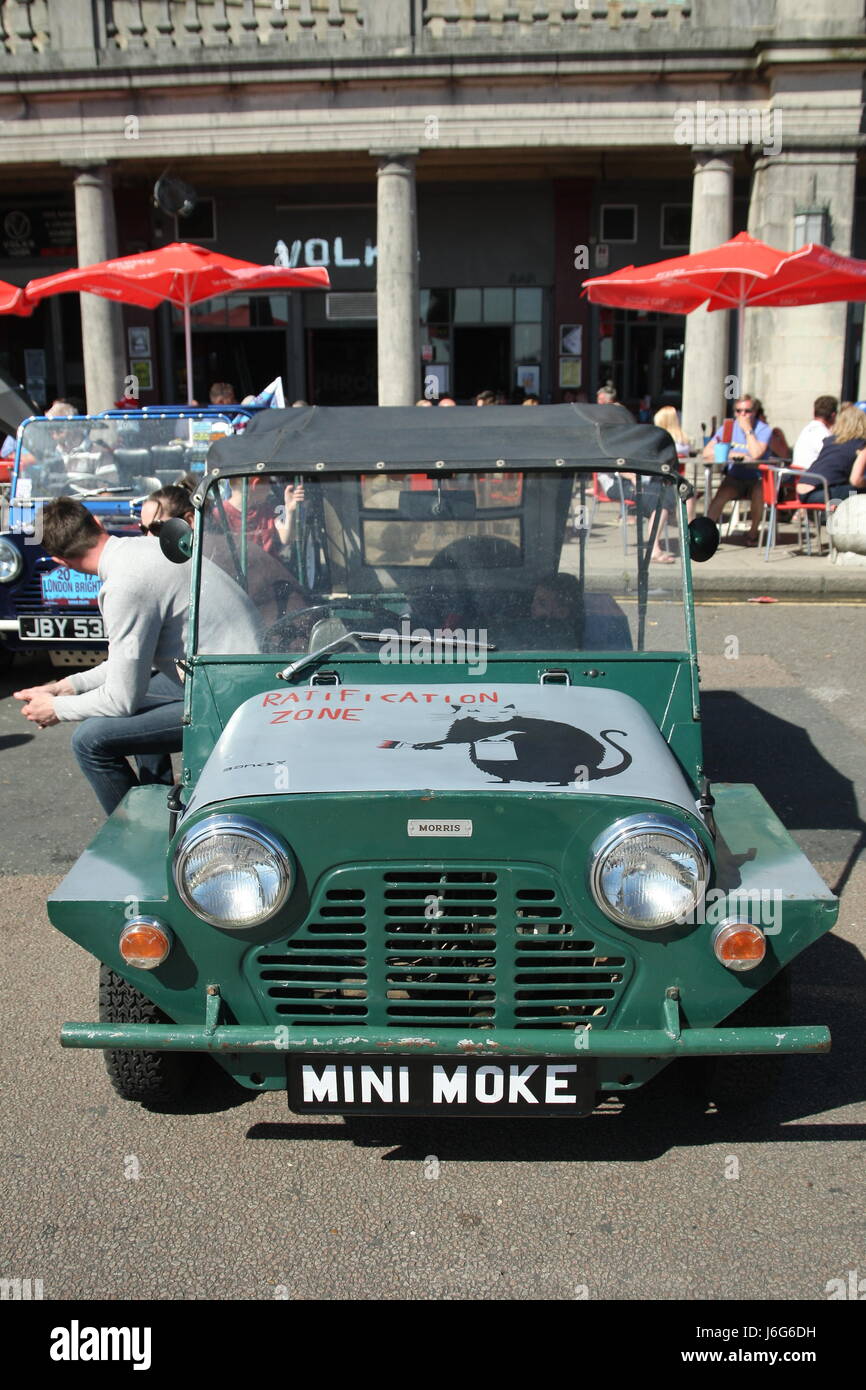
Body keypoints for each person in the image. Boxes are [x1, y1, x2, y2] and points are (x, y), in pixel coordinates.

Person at [13, 497, 261, 816]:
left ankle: (136, 836)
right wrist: (64, 687)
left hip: (228, 698)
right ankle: (157, 806)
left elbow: (121, 700)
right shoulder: (146, 550)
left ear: (60, 561)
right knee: (120, 703)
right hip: (230, 675)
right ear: (98, 524)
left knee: (89, 740)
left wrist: (56, 710)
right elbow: (125, 667)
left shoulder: (125, 586)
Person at [140, 482, 309, 627]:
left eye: (156, 528)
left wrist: (290, 509)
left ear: (190, 521)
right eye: (143, 530)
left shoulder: (213, 554)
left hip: (260, 591)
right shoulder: (219, 517)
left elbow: (285, 538)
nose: (147, 537)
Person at [703, 394, 772, 546]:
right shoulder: (728, 428)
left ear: (754, 412)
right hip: (735, 477)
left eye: (747, 411)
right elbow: (707, 452)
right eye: (738, 411)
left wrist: (748, 430)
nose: (742, 415)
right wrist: (732, 454)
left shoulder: (763, 429)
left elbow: (756, 454)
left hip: (757, 478)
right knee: (720, 496)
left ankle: (753, 532)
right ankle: (704, 532)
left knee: (759, 493)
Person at [796, 404, 866, 503]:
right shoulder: (862, 445)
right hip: (822, 493)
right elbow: (856, 480)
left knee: (849, 490)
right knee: (856, 491)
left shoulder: (829, 441)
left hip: (802, 492)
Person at [654, 404, 695, 521]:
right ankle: (687, 529)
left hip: (663, 480)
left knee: (683, 495)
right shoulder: (683, 439)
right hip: (678, 480)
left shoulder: (661, 439)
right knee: (688, 494)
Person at [792, 395, 838, 472]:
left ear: (814, 412)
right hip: (812, 478)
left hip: (796, 476)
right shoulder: (825, 434)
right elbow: (833, 460)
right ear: (833, 415)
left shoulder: (807, 429)